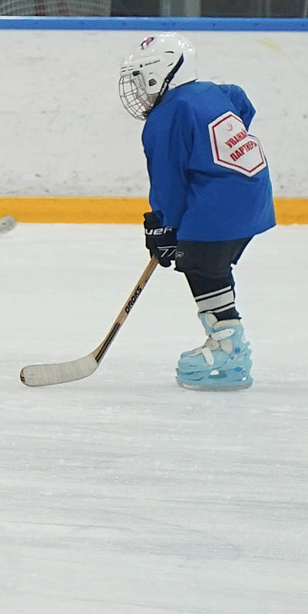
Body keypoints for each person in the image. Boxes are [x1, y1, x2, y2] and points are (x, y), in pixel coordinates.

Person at [120, 33, 275, 391]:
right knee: (209, 266)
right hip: (252, 194)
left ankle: (228, 347)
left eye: (141, 79)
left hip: (221, 205)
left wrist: (162, 226)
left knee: (201, 264)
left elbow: (169, 181)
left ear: (161, 73)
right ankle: (225, 339)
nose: (139, 90)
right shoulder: (211, 92)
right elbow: (241, 101)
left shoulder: (166, 116)